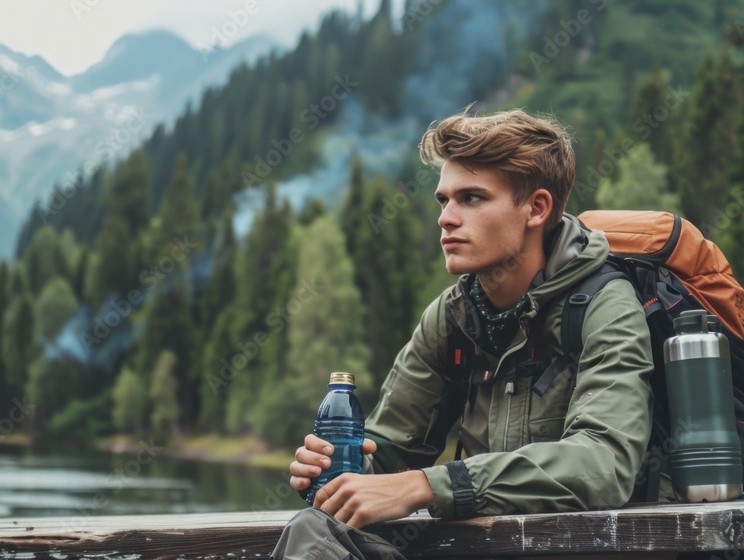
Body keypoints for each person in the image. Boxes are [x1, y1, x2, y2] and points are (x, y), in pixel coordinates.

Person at [272, 108, 655, 559]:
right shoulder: (452, 317)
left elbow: (604, 463)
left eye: (471, 198)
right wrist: (338, 473)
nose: (447, 218)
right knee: (315, 529)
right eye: (443, 200)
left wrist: (428, 486)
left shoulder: (604, 305)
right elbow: (390, 451)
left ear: (536, 208)